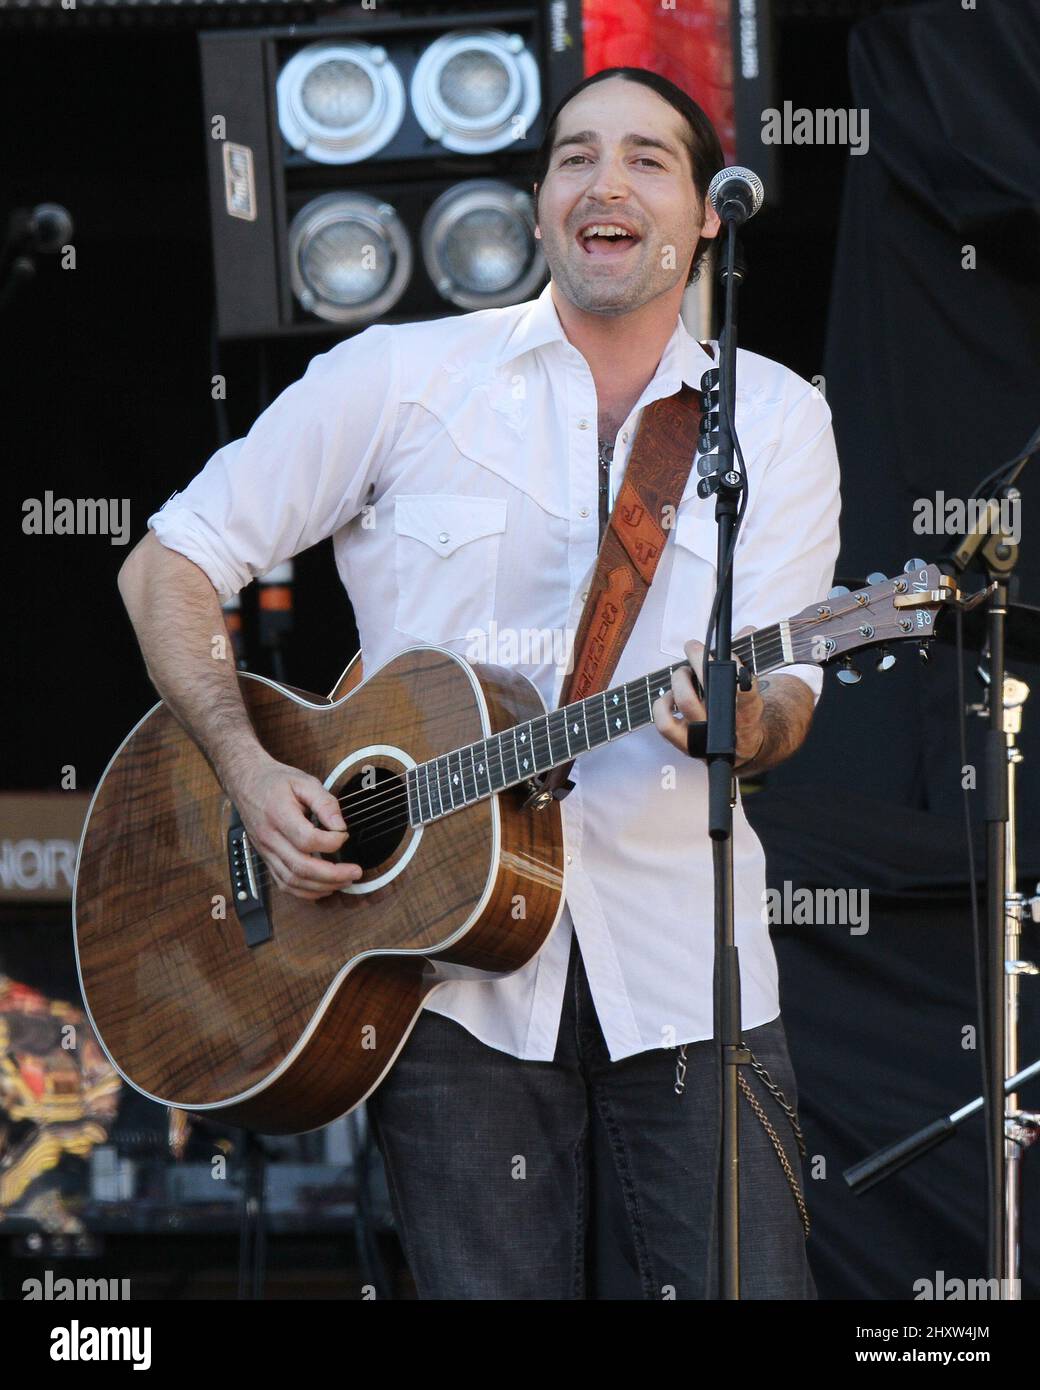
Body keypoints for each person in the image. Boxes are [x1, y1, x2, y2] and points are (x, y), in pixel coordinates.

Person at [117, 67, 840, 1299]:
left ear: (706, 214)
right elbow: (169, 561)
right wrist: (246, 769)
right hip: (442, 993)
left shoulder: (767, 418)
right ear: (542, 198)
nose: (603, 182)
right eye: (573, 157)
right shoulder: (398, 377)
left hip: (686, 978)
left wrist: (741, 721)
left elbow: (787, 693)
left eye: (645, 159)